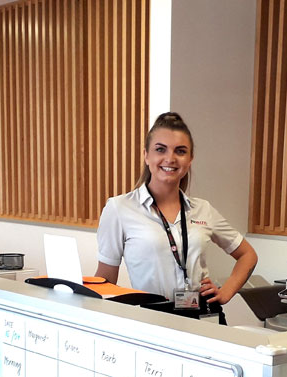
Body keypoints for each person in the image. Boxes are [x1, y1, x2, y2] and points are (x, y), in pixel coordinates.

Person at [95, 112, 258, 323]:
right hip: (151, 318)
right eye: (160, 149)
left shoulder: (203, 209)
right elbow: (106, 279)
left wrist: (226, 291)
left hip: (203, 315)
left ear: (190, 160)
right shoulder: (120, 209)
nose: (170, 158)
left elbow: (248, 255)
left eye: (180, 151)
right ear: (146, 155)